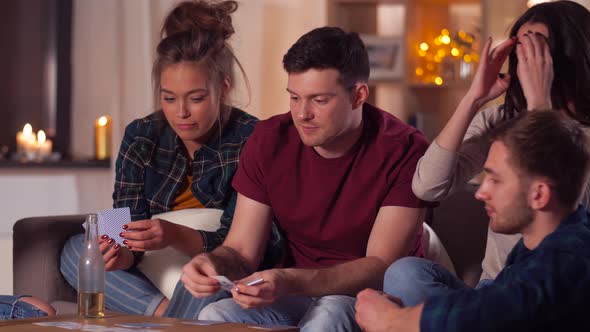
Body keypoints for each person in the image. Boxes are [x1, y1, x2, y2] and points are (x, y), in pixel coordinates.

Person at [168, 26, 430, 331]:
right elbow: (240, 250)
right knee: (213, 316)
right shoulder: (142, 138)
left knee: (329, 313)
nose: (302, 114)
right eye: (294, 97)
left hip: (366, 294)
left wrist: (289, 280)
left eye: (319, 101)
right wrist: (212, 262)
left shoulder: (404, 148)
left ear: (358, 95)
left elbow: (381, 265)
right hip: (291, 288)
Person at [59, 0, 281, 317]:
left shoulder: (254, 138)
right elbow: (122, 216)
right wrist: (117, 251)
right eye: (169, 98)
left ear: (223, 88)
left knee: (215, 273)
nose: (181, 113)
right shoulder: (140, 134)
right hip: (151, 276)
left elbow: (243, 249)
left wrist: (174, 234)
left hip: (214, 268)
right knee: (75, 250)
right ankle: (168, 318)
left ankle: (169, 319)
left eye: (196, 98)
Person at [356, 111, 590, 331]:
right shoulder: (537, 245)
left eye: (495, 180)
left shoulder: (568, 258)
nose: (480, 192)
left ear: (539, 195)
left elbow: (500, 308)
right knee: (405, 273)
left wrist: (396, 320)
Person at [411, 0, 590, 281]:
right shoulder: (502, 118)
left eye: (538, 49)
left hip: (561, 290)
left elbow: (558, 213)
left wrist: (539, 108)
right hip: (494, 287)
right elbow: (428, 188)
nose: (528, 61)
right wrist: (474, 98)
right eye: (522, 50)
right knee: (407, 273)